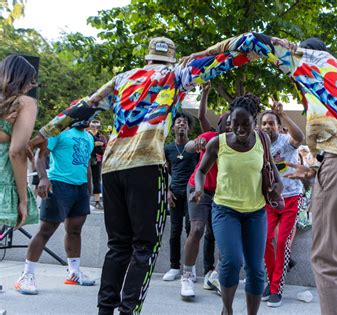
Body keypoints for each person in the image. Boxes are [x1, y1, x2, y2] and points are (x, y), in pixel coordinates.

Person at [27, 36, 253, 314]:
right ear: (171, 58)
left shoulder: (123, 78)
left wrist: (44, 133)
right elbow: (223, 60)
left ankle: (105, 310)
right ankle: (129, 310)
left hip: (112, 168)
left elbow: (84, 105)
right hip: (146, 165)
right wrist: (249, 52)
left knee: (118, 246)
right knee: (144, 247)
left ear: (147, 58)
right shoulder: (176, 74)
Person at [182, 32, 337, 315]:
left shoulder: (307, 60)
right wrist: (315, 168)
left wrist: (202, 55)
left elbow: (252, 40)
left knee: (327, 260)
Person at [192, 94, 283, 315]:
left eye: (246, 124)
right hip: (225, 210)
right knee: (231, 262)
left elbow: (273, 172)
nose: (240, 129)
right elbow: (201, 171)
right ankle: (228, 309)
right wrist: (198, 188)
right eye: (236, 123)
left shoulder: (263, 140)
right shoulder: (218, 142)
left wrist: (276, 189)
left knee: (255, 269)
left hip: (256, 212)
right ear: (229, 121)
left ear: (254, 120)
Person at [16, 119, 95, 295]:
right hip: (59, 185)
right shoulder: (59, 132)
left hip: (80, 189)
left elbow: (87, 164)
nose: (88, 118)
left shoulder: (89, 137)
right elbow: (40, 154)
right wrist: (43, 178)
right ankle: (26, 276)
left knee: (75, 230)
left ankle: (74, 272)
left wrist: (90, 189)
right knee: (45, 230)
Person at [179, 85, 226, 299]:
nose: (231, 127)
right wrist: (195, 143)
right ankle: (187, 276)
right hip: (199, 188)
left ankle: (214, 275)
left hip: (222, 194)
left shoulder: (240, 144)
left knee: (223, 236)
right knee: (197, 229)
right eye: (227, 123)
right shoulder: (210, 137)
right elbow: (189, 146)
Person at [259, 99, 304, 307]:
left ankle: (276, 288)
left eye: (272, 123)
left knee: (283, 242)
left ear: (278, 126)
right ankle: (270, 281)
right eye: (265, 123)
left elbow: (300, 137)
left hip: (292, 197)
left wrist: (283, 114)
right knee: (266, 240)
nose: (268, 126)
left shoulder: (286, 141)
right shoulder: (257, 144)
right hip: (270, 200)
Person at [0, 54, 38, 231]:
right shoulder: (24, 103)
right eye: (31, 80)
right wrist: (23, 200)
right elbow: (16, 152)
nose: (32, 85)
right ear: (20, 79)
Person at [163, 112, 198, 281]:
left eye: (185, 123)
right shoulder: (168, 148)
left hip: (191, 194)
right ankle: (174, 267)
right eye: (178, 122)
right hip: (175, 194)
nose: (181, 125)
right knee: (174, 231)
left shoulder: (195, 148)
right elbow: (167, 171)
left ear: (189, 127)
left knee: (191, 230)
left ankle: (190, 267)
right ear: (173, 127)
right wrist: (168, 191)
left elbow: (201, 171)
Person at [88, 119, 107, 210]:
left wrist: (102, 146)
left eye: (97, 127)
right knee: (85, 179)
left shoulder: (102, 137)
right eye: (93, 126)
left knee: (97, 180)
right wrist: (93, 144)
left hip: (97, 160)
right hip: (86, 160)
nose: (95, 129)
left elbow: (106, 149)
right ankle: (85, 200)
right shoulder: (86, 135)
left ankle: (97, 201)